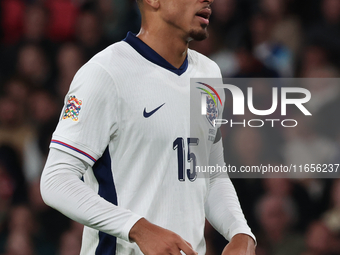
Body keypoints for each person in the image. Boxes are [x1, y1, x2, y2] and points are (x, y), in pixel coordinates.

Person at [40, 0, 256, 254]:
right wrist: (138, 228)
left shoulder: (208, 74)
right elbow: (56, 180)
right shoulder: (105, 73)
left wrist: (240, 231)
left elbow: (211, 174)